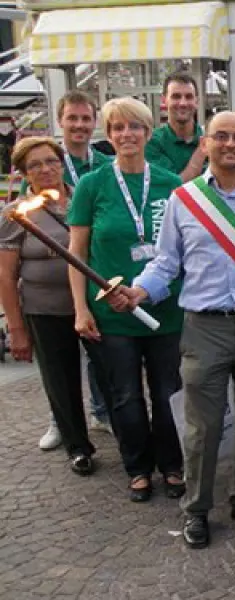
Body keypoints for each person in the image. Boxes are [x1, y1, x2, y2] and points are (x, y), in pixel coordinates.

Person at [126, 111, 235, 550]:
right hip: (204, 328)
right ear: (205, 144)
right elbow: (166, 262)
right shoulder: (184, 200)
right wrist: (139, 291)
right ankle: (197, 509)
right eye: (220, 136)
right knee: (203, 427)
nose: (230, 144)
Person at [67, 98, 186, 503]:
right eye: (117, 128)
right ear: (109, 134)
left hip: (164, 311)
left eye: (134, 127)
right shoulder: (92, 185)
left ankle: (172, 463)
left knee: (168, 391)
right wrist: (81, 309)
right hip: (111, 313)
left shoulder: (172, 184)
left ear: (148, 132)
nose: (126, 134)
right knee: (124, 395)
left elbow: (185, 251)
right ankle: (138, 467)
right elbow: (76, 252)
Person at [0, 137, 112, 473]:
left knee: (112, 372)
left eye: (50, 161)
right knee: (60, 380)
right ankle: (77, 446)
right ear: (23, 174)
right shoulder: (16, 214)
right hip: (45, 309)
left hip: (93, 306)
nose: (45, 169)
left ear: (62, 163)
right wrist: (17, 329)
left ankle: (126, 431)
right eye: (35, 165)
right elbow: (6, 276)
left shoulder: (84, 198)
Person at [27, 91, 114, 443]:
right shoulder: (46, 164)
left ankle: (101, 412)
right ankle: (59, 419)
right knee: (58, 362)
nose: (79, 125)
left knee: (100, 353)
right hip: (51, 288)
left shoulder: (104, 164)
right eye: (72, 118)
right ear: (60, 121)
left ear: (94, 123)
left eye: (85, 119)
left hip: (94, 274)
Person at [146, 72, 206, 181]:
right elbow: (174, 187)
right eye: (176, 97)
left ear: (196, 101)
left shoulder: (212, 137)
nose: (183, 103)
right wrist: (202, 151)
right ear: (164, 101)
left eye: (189, 97)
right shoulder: (152, 142)